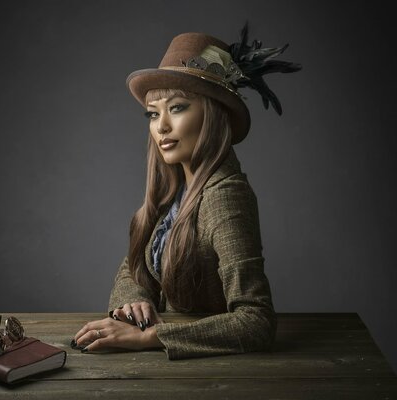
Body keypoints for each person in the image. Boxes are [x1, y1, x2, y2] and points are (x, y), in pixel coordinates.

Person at [72, 25, 301, 360]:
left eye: (177, 107)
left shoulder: (225, 196)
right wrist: (134, 299)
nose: (161, 126)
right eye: (153, 113)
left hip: (218, 375)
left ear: (210, 113)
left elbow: (256, 322)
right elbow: (134, 268)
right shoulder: (174, 192)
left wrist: (150, 337)